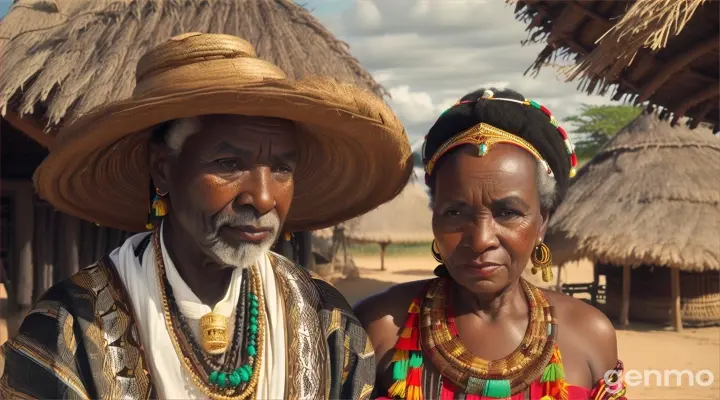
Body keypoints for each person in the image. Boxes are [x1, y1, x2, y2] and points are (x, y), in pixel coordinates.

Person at [0, 33, 412, 400]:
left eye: (282, 169)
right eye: (229, 164)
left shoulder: (327, 323)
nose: (264, 198)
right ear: (163, 169)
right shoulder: (69, 328)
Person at [355, 88, 628, 400]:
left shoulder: (591, 334)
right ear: (435, 220)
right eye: (455, 212)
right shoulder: (380, 326)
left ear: (542, 223)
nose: (482, 239)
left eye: (508, 213)